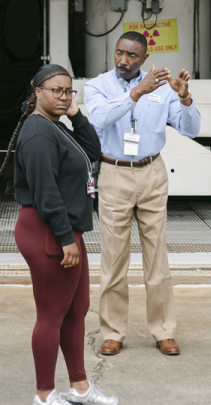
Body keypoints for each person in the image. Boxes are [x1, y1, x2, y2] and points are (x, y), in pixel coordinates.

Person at [2, 63, 118, 405]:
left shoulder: (56, 126)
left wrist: (76, 114)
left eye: (69, 91)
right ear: (37, 92)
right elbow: (46, 192)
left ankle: (80, 387)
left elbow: (92, 151)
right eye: (56, 90)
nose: (64, 96)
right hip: (49, 230)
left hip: (66, 230)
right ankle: (43, 396)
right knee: (51, 315)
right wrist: (66, 238)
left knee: (76, 309)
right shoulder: (38, 133)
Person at [84, 31, 200, 357]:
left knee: (157, 257)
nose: (124, 60)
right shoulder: (97, 86)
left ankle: (163, 330)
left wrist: (185, 99)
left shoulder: (163, 88)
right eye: (120, 53)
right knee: (114, 257)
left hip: (152, 171)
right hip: (114, 172)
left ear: (144, 58)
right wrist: (136, 92)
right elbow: (100, 118)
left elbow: (190, 129)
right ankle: (113, 330)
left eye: (132, 56)